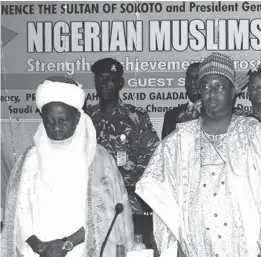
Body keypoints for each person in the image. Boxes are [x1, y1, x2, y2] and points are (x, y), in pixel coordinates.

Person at [135, 52, 261, 257]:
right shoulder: (178, 142)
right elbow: (160, 201)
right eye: (205, 86)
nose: (211, 92)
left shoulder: (256, 135)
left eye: (219, 86)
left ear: (233, 91)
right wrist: (174, 248)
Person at [1, 76, 134, 257]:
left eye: (63, 120)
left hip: (83, 251)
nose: (56, 127)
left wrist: (66, 245)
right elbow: (19, 210)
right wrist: (37, 244)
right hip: (36, 252)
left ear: (78, 117)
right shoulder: (28, 160)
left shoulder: (98, 160)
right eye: (50, 121)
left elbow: (106, 215)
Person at [85, 57, 160, 251]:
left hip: (129, 203)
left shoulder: (135, 117)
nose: (104, 83)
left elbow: (154, 157)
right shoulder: (86, 119)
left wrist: (129, 180)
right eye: (100, 78)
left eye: (110, 78)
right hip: (93, 204)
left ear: (120, 83)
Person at [162, 63, 202, 139]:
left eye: (197, 78)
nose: (192, 82)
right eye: (189, 78)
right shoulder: (171, 116)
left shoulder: (216, 113)